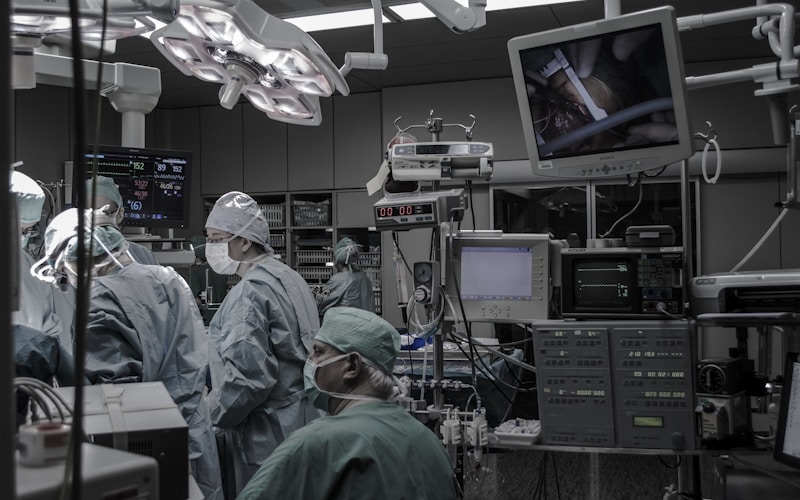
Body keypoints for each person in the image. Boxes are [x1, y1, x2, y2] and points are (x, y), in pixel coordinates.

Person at [33, 208, 223, 500]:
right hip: (193, 429)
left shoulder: (99, 302)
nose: (66, 280)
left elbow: (115, 397)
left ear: (77, 259)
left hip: (147, 444)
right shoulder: (167, 278)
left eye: (63, 271)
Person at [236, 307, 460, 500]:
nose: (310, 362)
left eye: (318, 352)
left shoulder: (319, 443)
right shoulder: (428, 441)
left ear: (352, 366)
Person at [204, 191, 320, 496]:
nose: (211, 247)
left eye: (217, 238)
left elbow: (248, 380)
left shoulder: (250, 292)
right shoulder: (290, 277)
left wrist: (208, 417)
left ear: (244, 241)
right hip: (304, 419)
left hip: (267, 432)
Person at [85, 175, 160, 265]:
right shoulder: (70, 257)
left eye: (104, 212)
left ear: (120, 214)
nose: (95, 219)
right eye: (86, 213)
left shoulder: (142, 255)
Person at [315, 236, 375, 320]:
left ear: (337, 259)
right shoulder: (365, 278)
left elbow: (321, 306)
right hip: (364, 327)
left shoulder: (337, 280)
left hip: (344, 327)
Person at [188, 235, 229, 323]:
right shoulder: (221, 269)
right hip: (222, 316)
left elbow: (196, 301)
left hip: (204, 317)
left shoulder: (194, 270)